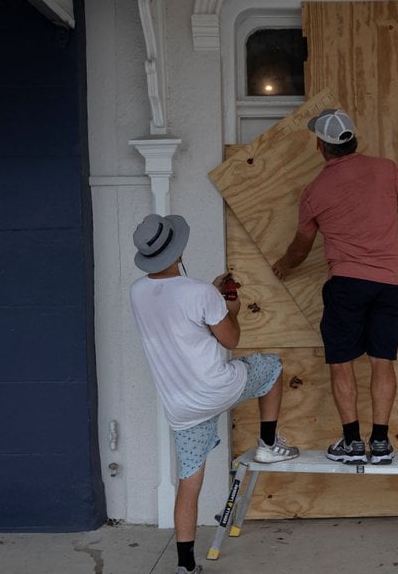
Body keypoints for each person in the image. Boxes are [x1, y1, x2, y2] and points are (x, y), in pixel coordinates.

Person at [130, 213, 298, 574]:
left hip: (181, 407)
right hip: (218, 387)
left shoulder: (138, 291)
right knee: (272, 367)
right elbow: (232, 339)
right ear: (178, 251)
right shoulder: (202, 294)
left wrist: (210, 295)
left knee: (188, 485)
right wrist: (230, 308)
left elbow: (177, 311)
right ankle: (269, 444)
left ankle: (185, 566)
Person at [272, 108, 398, 466]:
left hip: (346, 285)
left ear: (321, 147)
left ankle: (352, 442)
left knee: (341, 363)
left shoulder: (314, 192)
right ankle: (381, 443)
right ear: (354, 139)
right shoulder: (387, 170)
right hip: (389, 283)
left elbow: (301, 247)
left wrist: (282, 266)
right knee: (382, 362)